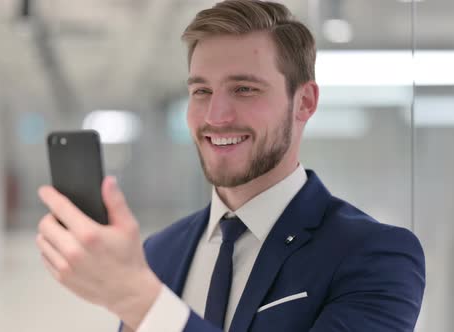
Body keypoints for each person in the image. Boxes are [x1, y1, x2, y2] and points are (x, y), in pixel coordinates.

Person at [34, 1, 426, 331]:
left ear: (304, 101)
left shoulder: (376, 255)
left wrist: (141, 301)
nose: (216, 116)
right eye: (201, 91)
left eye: (244, 89)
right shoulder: (158, 254)